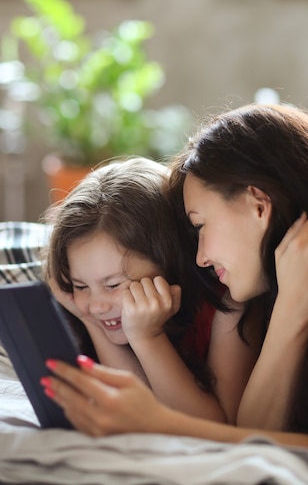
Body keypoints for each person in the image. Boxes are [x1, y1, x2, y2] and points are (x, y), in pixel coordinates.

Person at [40, 104, 308, 465]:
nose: (200, 257)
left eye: (200, 225)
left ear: (258, 204)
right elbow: (257, 431)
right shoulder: (278, 290)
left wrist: (160, 423)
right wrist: (293, 307)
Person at [42, 156, 252, 423]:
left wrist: (147, 337)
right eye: (81, 285)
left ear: (170, 261)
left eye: (113, 284)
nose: (96, 305)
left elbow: (207, 427)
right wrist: (89, 320)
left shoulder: (229, 306)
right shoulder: (89, 307)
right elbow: (132, 408)